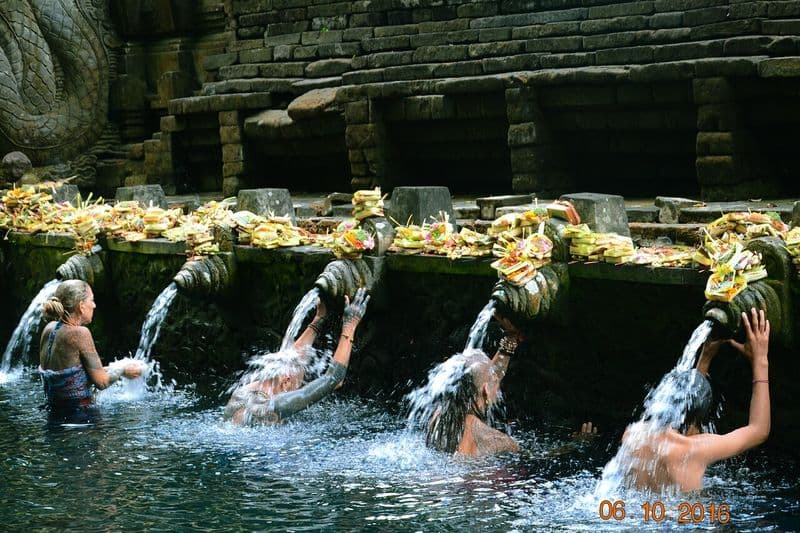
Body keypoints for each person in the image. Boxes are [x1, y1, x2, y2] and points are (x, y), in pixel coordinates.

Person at [621, 307, 770, 492]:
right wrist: (760, 360)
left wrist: (705, 356)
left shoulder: (633, 435)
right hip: (685, 519)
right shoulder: (694, 450)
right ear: (696, 423)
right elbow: (759, 430)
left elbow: (687, 403)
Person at [224, 287, 370, 426]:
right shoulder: (275, 406)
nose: (302, 384)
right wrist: (350, 326)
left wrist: (319, 319)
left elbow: (292, 356)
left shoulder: (243, 392)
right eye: (300, 383)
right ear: (286, 381)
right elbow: (333, 379)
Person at [424, 313, 522, 457]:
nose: (497, 380)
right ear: (486, 391)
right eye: (494, 380)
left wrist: (511, 338)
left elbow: (490, 375)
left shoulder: (439, 416)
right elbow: (517, 450)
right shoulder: (483, 434)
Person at [39, 280, 142, 415]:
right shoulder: (80, 333)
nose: (94, 305)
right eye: (91, 300)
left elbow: (71, 374)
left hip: (52, 413)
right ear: (81, 306)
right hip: (79, 416)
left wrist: (115, 367)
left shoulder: (49, 329)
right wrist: (123, 371)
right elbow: (102, 382)